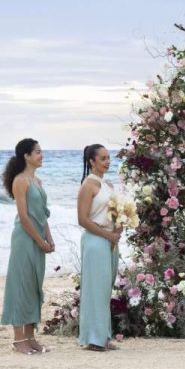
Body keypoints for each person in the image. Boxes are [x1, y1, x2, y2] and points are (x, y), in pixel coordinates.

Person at [0, 138, 55, 355]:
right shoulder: (20, 180)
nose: (42, 155)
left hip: (38, 237)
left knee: (34, 285)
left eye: (41, 151)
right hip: (25, 239)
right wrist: (39, 241)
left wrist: (49, 238)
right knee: (20, 284)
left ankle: (31, 337)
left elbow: (42, 214)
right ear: (26, 156)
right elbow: (24, 217)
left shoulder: (38, 181)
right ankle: (18, 339)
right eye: (38, 152)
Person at [77, 143, 122, 352]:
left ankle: (103, 336)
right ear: (91, 162)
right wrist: (108, 235)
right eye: (103, 158)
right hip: (96, 240)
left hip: (110, 240)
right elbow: (83, 220)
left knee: (105, 289)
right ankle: (94, 339)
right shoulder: (88, 186)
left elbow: (114, 211)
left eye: (108, 157)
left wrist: (120, 225)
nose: (107, 162)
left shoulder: (109, 185)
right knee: (95, 289)